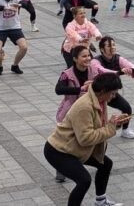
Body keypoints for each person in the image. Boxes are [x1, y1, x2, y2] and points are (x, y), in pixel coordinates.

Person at [44, 72, 126, 206]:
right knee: (84, 180)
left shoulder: (100, 100)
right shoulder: (84, 106)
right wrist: (111, 128)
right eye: (112, 93)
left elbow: (99, 126)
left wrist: (115, 124)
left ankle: (101, 201)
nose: (114, 96)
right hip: (58, 151)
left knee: (105, 164)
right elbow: (86, 138)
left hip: (76, 148)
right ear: (103, 91)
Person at [93, 37, 134, 139]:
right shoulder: (95, 61)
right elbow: (101, 71)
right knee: (96, 116)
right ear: (101, 49)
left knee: (126, 108)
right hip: (96, 94)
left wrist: (130, 69)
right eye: (109, 46)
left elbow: (131, 65)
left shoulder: (117, 58)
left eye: (113, 45)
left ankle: (125, 130)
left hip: (110, 93)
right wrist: (119, 72)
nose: (112, 47)